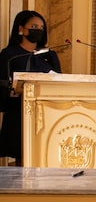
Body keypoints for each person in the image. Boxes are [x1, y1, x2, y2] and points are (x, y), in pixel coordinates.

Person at [0, 10, 62, 164]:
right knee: (22, 153)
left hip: (46, 111)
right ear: (21, 29)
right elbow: (3, 83)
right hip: (18, 111)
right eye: (33, 26)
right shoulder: (10, 54)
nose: (38, 30)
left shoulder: (49, 55)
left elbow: (58, 80)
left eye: (41, 28)